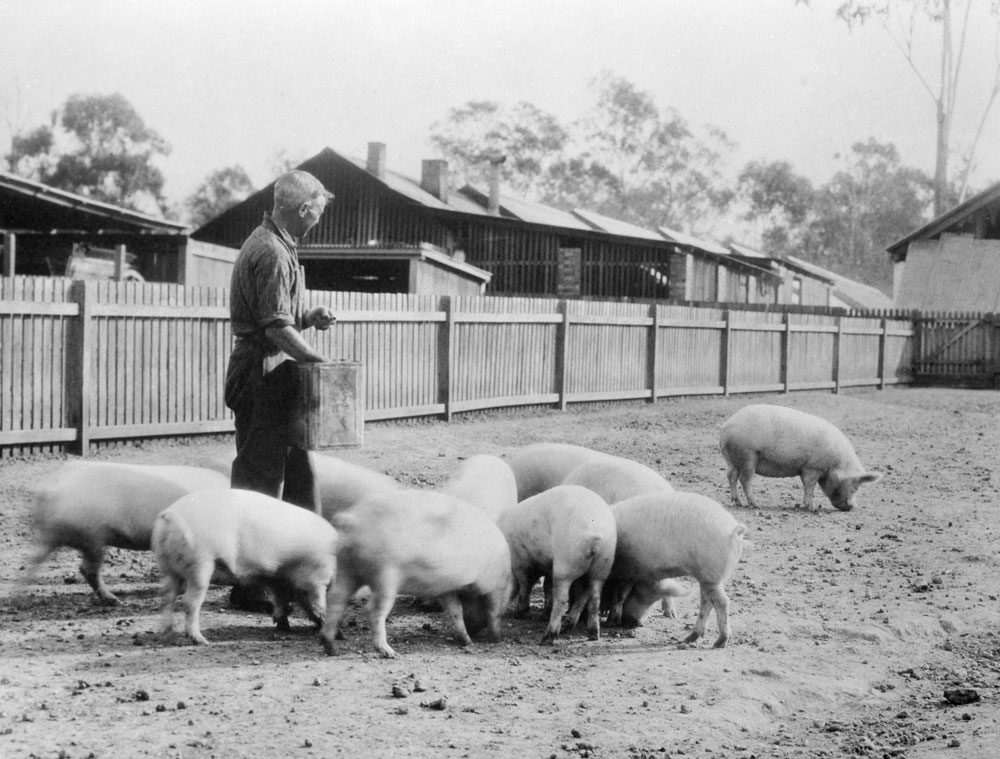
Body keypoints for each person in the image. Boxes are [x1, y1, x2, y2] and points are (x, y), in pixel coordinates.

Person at [223, 170, 336, 611]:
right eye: (319, 210)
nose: (319, 218)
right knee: (258, 477)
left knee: (297, 469)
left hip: (273, 370)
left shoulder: (280, 245)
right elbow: (272, 325)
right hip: (259, 373)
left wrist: (309, 317)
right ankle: (247, 584)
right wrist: (314, 359)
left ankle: (292, 568)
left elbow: (281, 316)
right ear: (304, 208)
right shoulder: (269, 250)